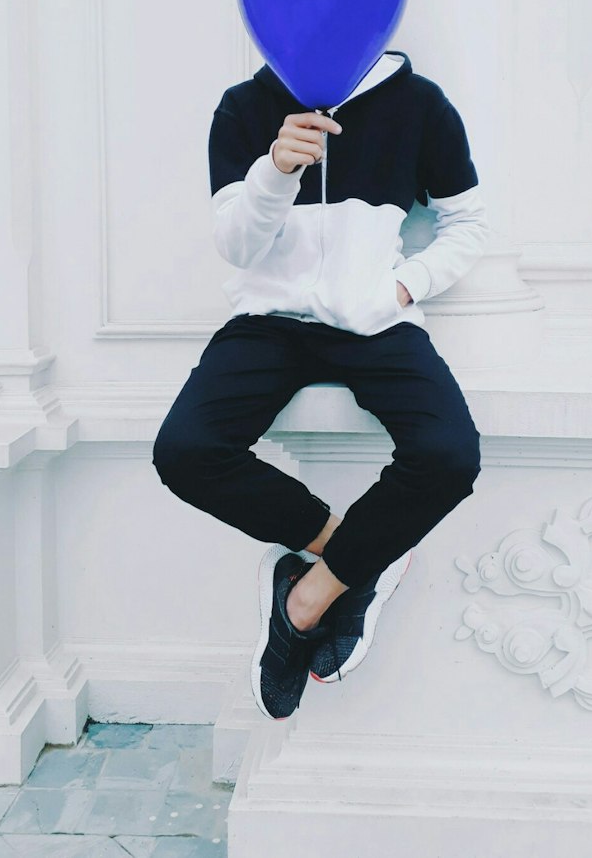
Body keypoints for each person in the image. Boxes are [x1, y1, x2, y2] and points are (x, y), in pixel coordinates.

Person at [152, 49, 487, 719]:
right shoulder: (244, 106)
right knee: (186, 451)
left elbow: (466, 222)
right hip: (268, 319)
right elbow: (238, 246)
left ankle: (308, 595)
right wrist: (275, 172)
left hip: (374, 319)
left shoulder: (420, 104)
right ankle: (359, 559)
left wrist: (401, 286)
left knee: (449, 455)